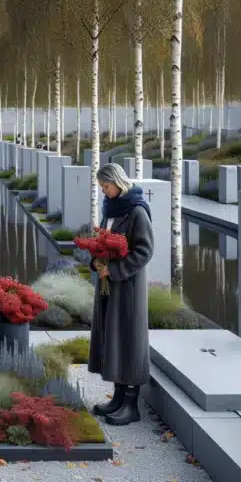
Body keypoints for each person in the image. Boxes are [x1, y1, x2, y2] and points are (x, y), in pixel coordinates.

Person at [88, 163, 153, 426]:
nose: (104, 191)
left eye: (106, 186)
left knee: (129, 339)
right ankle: (117, 398)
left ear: (118, 182)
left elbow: (144, 251)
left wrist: (114, 270)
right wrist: (96, 262)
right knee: (113, 337)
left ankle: (131, 405)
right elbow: (102, 241)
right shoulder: (110, 208)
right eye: (101, 187)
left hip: (128, 288)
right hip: (109, 287)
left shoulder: (137, 211)